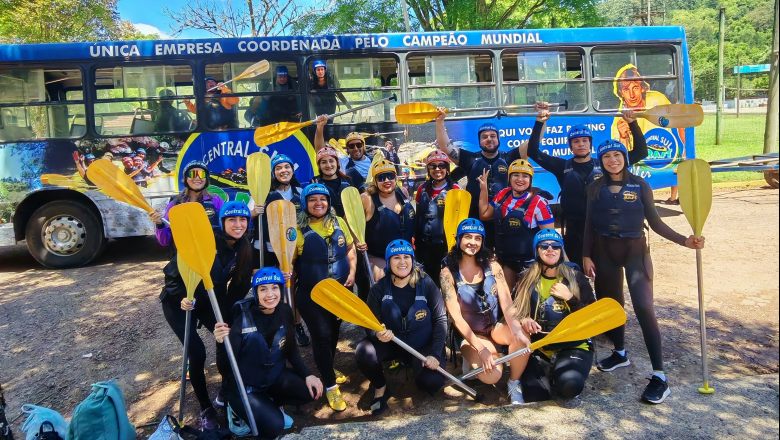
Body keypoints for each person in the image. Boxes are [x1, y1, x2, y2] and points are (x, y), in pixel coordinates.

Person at [582, 139, 705, 404]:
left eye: (617, 155)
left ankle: (660, 376)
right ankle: (620, 352)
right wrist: (585, 255)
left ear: (625, 158)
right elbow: (589, 225)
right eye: (606, 157)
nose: (612, 160)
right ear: (600, 161)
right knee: (612, 305)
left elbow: (657, 223)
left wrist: (685, 240)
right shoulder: (594, 188)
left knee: (644, 307)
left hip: (635, 252)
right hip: (604, 254)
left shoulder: (640, 186)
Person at [148, 162, 230, 429]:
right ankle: (205, 408)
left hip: (207, 279)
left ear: (206, 178)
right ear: (185, 179)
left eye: (201, 175)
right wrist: (160, 223)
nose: (197, 178)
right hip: (179, 288)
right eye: (192, 175)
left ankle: (227, 391)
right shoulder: (175, 204)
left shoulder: (215, 201)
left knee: (224, 338)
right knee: (196, 350)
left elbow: (227, 229)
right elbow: (164, 240)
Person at [523, 102, 649, 268]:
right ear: (570, 146)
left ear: (590, 144)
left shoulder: (607, 165)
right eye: (576, 141)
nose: (581, 144)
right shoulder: (562, 167)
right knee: (575, 278)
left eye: (584, 140)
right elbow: (533, 152)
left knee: (606, 279)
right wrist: (540, 121)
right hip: (574, 233)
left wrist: (632, 123)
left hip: (602, 231)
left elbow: (641, 152)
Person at [213, 268, 323, 439]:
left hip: (272, 377)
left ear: (280, 289)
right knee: (274, 426)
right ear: (255, 292)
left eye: (274, 287)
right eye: (263, 289)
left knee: (309, 391)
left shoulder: (285, 310)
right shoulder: (242, 318)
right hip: (244, 385)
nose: (270, 294)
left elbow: (291, 349)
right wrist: (220, 344)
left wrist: (308, 374)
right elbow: (225, 369)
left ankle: (271, 406)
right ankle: (236, 411)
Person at [439, 219, 531, 404]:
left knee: (522, 337)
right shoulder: (448, 273)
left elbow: (506, 303)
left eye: (478, 238)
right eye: (467, 237)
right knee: (493, 375)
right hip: (469, 334)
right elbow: (456, 318)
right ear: (458, 240)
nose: (473, 242)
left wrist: (516, 330)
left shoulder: (493, 266)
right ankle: (474, 358)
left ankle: (514, 382)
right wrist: (481, 350)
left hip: (493, 326)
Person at [355, 240, 448, 415]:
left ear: (412, 260)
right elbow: (368, 324)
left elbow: (441, 319)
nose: (402, 262)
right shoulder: (379, 289)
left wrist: (435, 354)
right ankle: (380, 387)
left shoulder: (426, 283)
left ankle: (415, 365)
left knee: (431, 383)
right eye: (396, 257)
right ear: (389, 262)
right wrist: (377, 333)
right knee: (363, 351)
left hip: (422, 344)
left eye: (406, 257)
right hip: (393, 344)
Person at [292, 183, 357, 411]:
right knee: (322, 335)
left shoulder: (338, 222)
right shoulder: (296, 230)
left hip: (339, 291)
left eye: (323, 199)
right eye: (312, 199)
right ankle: (329, 385)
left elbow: (350, 248)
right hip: (311, 294)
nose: (319, 203)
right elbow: (288, 261)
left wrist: (353, 271)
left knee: (334, 333)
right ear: (305, 204)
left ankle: (327, 366)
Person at [512, 229, 596, 402]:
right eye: (544, 246)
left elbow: (594, 318)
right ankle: (550, 370)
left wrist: (571, 298)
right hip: (542, 344)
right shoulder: (525, 279)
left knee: (570, 386)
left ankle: (562, 371)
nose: (550, 249)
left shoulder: (577, 278)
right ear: (536, 250)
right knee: (536, 395)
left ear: (561, 250)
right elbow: (513, 312)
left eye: (556, 246)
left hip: (574, 344)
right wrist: (523, 320)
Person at [435, 110, 522, 249]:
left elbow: (532, 147)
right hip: (475, 220)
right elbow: (445, 146)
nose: (489, 139)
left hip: (503, 219)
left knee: (503, 258)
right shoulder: (470, 159)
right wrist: (439, 121)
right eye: (484, 136)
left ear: (498, 139)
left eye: (493, 136)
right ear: (479, 141)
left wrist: (541, 120)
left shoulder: (508, 158)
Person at [253, 154, 310, 347]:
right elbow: (247, 216)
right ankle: (272, 327)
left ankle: (296, 325)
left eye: (287, 167)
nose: (283, 171)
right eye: (278, 168)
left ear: (292, 171)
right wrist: (255, 211)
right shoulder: (263, 195)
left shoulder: (301, 193)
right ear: (273, 172)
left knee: (291, 287)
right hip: (267, 248)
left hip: (293, 249)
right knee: (269, 288)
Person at [478, 159, 554, 290]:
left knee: (528, 301)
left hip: (529, 263)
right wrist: (484, 190)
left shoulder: (539, 203)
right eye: (516, 175)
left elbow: (550, 239)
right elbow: (484, 215)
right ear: (509, 178)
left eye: (525, 176)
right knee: (505, 298)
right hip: (507, 260)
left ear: (530, 180)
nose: (520, 179)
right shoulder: (503, 195)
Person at [358, 160, 414, 286]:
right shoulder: (366, 199)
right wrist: (357, 242)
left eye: (391, 176)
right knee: (388, 282)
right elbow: (349, 223)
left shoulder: (403, 193)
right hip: (379, 257)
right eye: (381, 177)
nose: (387, 180)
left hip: (405, 255)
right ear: (375, 181)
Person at [414, 149, 460, 287]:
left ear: (447, 168)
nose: (437, 169)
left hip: (444, 245)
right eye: (433, 166)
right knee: (427, 283)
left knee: (447, 283)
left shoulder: (455, 190)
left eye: (442, 166)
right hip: (424, 245)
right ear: (428, 169)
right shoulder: (422, 189)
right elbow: (418, 215)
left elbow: (460, 219)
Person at [314, 121, 372, 190]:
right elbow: (322, 151)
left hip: (371, 195)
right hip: (351, 196)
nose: (356, 148)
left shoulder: (374, 160)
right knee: (351, 172)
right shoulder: (343, 162)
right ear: (347, 149)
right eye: (351, 146)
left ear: (363, 146)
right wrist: (320, 127)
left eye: (359, 145)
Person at [309, 147, 353, 217]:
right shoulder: (314, 183)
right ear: (319, 166)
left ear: (337, 163)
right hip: (326, 224)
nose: (328, 165)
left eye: (331, 161)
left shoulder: (347, 181)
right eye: (324, 162)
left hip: (347, 223)